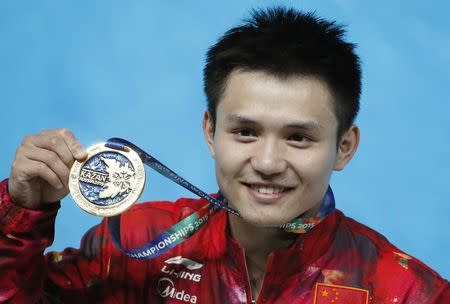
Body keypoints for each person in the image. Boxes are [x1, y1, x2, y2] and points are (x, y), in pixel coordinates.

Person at [0, 7, 448, 304]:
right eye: (246, 132)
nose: (269, 162)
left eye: (298, 138)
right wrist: (22, 217)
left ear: (343, 147)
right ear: (211, 132)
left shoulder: (405, 290)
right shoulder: (132, 243)